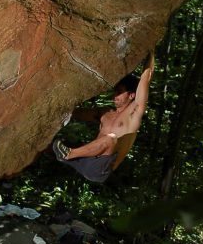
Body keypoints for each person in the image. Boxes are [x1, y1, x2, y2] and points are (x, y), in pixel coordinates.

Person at [52, 50, 155, 183]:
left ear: (131, 95)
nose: (115, 95)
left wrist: (151, 52)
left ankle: (69, 154)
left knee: (111, 139)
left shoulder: (133, 113)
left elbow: (146, 79)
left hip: (99, 169)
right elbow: (73, 113)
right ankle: (64, 154)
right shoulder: (105, 113)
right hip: (84, 160)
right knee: (46, 147)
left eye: (119, 92)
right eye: (115, 91)